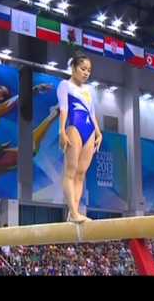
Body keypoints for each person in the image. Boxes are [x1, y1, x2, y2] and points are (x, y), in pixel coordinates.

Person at [57, 52, 102, 223]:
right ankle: (74, 212)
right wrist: (62, 130)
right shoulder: (64, 85)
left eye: (89, 70)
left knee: (81, 174)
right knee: (71, 172)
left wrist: (98, 132)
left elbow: (91, 113)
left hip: (89, 130)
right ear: (74, 68)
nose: (86, 73)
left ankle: (73, 213)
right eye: (83, 69)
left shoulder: (89, 90)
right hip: (74, 127)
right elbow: (64, 109)